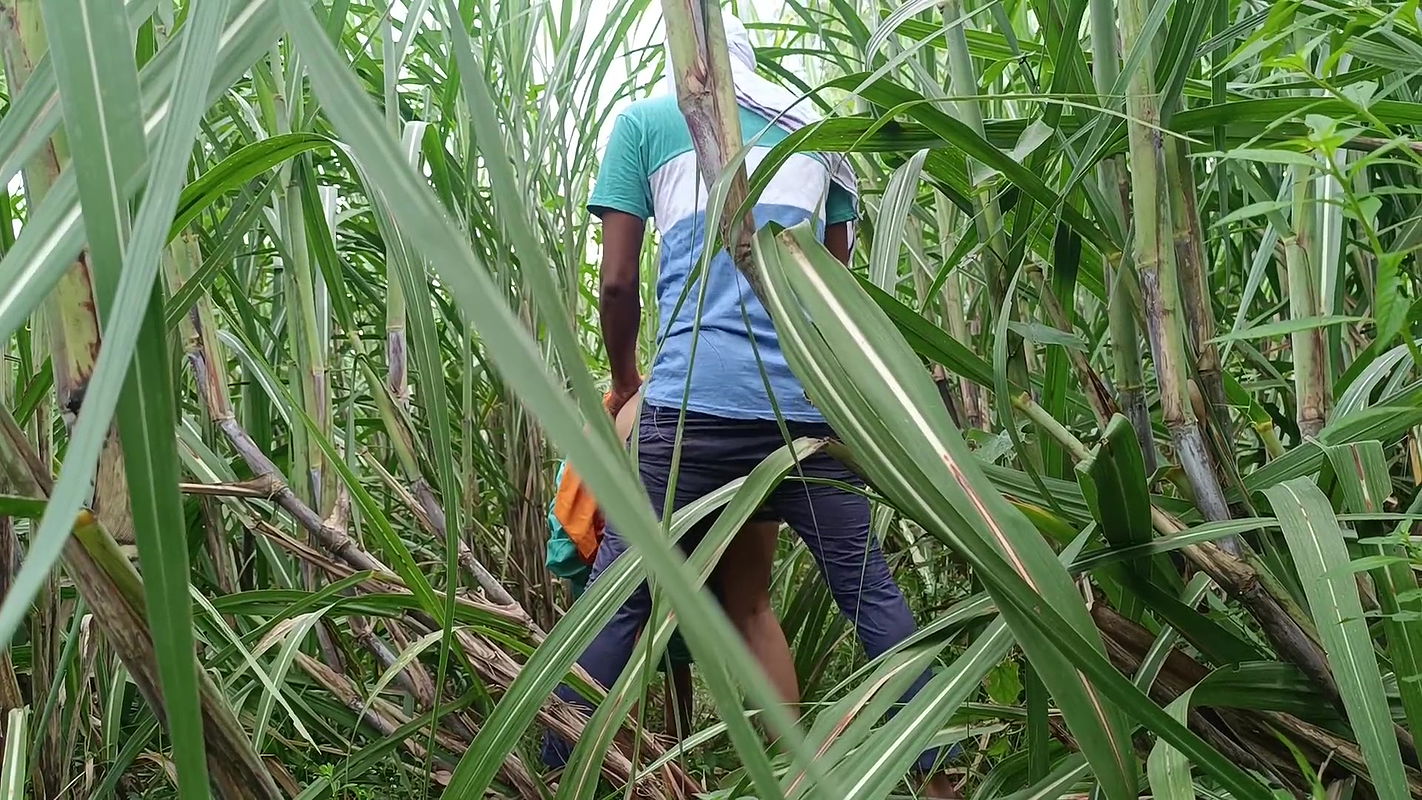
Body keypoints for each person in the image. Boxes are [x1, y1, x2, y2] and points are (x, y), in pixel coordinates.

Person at [543, 15, 956, 797]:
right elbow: (832, 291)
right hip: (806, 413)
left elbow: (618, 284)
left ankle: (560, 775)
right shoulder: (817, 135)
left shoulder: (644, 121)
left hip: (690, 409)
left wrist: (628, 379)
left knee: (619, 601)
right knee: (864, 595)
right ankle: (928, 782)